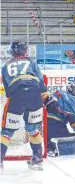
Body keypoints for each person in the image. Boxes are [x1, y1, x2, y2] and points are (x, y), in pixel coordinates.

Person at [0, 41, 47, 170]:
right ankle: (37, 159)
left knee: (7, 131)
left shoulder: (6, 66)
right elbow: (41, 84)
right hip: (34, 95)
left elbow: (8, 90)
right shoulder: (31, 62)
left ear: (13, 51)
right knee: (32, 128)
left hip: (17, 96)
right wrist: (44, 97)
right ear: (25, 51)